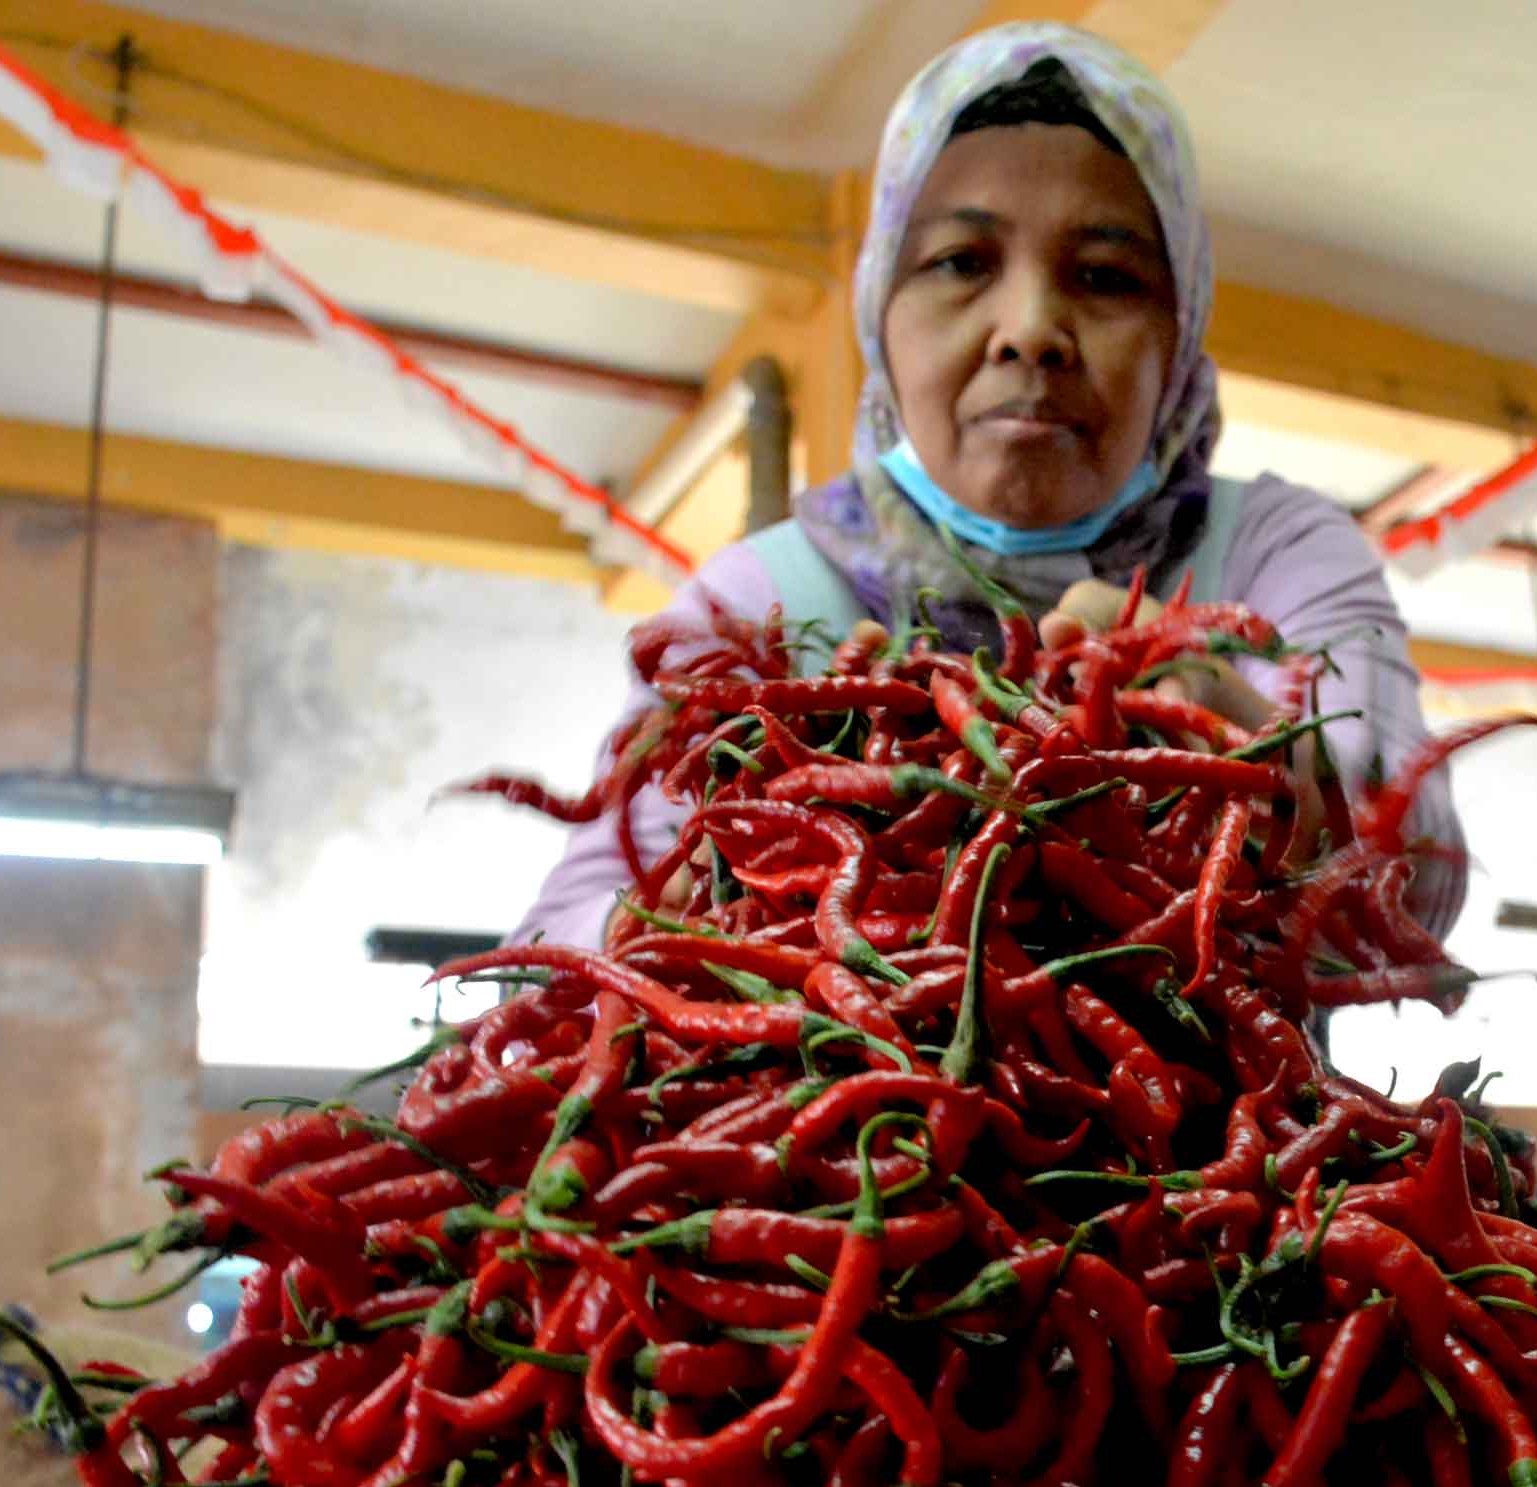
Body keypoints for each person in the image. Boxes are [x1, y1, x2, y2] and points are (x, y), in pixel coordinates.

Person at [510, 20, 1463, 951]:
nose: (1032, 328)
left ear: (1181, 334)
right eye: (961, 263)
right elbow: (555, 946)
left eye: (1106, 275)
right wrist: (668, 930)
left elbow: (1411, 884)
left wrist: (1264, 762)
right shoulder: (760, 602)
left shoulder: (1269, 553)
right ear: (880, 314)